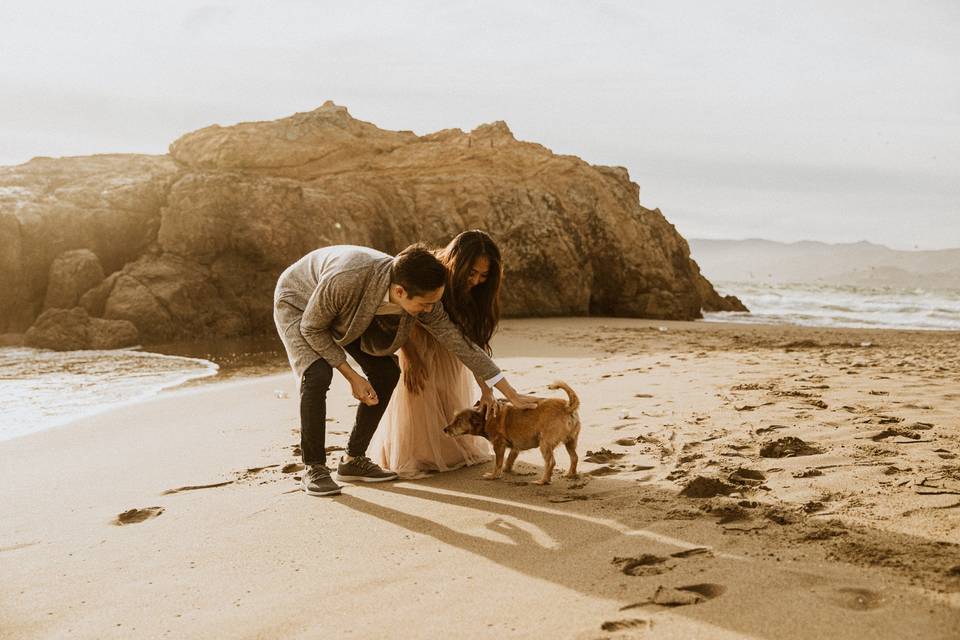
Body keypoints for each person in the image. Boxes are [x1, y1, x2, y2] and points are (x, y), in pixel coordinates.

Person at [273, 243, 537, 496]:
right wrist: (352, 376)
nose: (430, 310)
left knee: (387, 373)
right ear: (400, 292)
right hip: (299, 303)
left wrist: (511, 394)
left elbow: (462, 345)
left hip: (348, 313)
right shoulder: (346, 279)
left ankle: (353, 459)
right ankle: (315, 467)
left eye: (434, 303)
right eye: (424, 305)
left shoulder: (421, 295)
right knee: (317, 374)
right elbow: (312, 328)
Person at [370, 231, 504, 478]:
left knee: (446, 392)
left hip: (451, 346)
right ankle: (420, 454)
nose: (475, 281)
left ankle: (448, 449)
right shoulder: (426, 266)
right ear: (456, 262)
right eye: (471, 273)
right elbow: (398, 311)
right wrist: (409, 355)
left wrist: (487, 389)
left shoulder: (478, 293)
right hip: (414, 338)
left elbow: (474, 344)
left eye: (484, 276)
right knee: (419, 395)